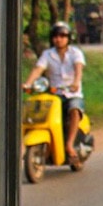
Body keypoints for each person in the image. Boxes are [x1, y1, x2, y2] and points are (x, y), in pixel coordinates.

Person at [23, 21, 87, 160]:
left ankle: (69, 144)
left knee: (74, 110)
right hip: (54, 95)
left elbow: (78, 68)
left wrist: (76, 82)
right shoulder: (47, 54)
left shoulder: (75, 53)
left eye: (62, 36)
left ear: (68, 38)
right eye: (56, 36)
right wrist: (28, 83)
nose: (59, 39)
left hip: (72, 94)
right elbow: (38, 69)